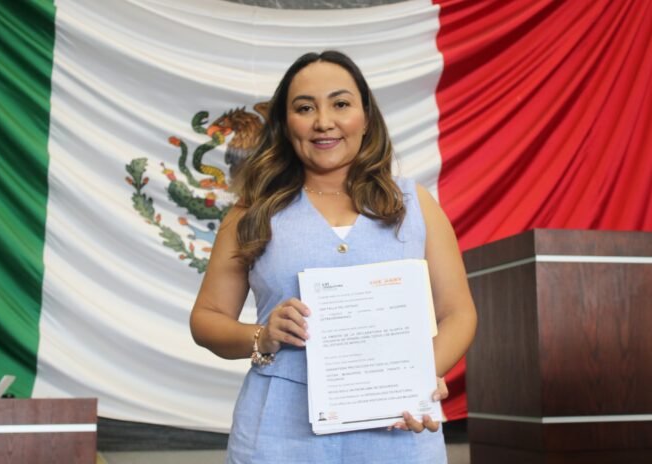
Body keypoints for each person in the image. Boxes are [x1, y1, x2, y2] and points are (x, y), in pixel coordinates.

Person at [190, 50, 477, 464]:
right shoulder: (251, 210)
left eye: (340, 104)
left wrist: (418, 377)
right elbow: (207, 318)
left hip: (399, 431)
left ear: (366, 116)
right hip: (278, 436)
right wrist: (262, 336)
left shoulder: (415, 203)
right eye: (305, 108)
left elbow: (458, 313)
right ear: (285, 124)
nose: (324, 121)